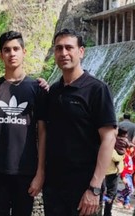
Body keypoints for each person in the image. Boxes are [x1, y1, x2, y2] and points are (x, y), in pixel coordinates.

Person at [43, 28, 117, 216]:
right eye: (59, 48)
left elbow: (109, 138)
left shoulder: (97, 90)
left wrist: (95, 188)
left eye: (69, 47)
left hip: (84, 188)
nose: (63, 53)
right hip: (54, 187)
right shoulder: (54, 91)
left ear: (81, 51)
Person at [0, 31, 47, 216]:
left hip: (26, 170)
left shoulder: (37, 89)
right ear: (1, 55)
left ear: (24, 51)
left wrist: (40, 173)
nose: (12, 53)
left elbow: (42, 132)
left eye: (16, 49)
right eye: (7, 50)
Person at [102, 126, 128, 216]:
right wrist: (123, 156)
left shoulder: (118, 141)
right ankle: (106, 212)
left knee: (111, 194)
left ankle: (107, 212)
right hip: (110, 172)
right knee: (109, 194)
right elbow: (114, 156)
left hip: (114, 171)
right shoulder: (113, 141)